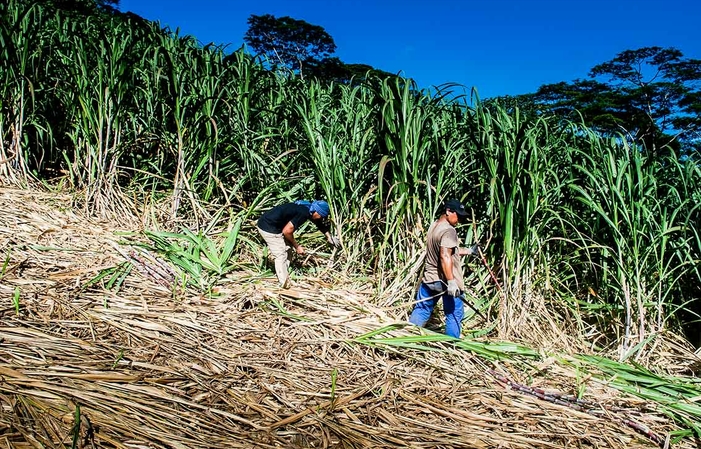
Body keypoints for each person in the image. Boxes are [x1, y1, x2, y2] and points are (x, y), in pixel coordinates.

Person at [409, 199, 480, 338]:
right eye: (457, 215)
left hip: (429, 279)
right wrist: (451, 282)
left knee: (422, 309)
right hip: (446, 282)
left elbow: (447, 249)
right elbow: (445, 255)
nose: (459, 219)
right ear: (448, 211)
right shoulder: (449, 231)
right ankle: (450, 348)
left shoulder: (434, 226)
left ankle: (407, 338)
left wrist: (470, 251)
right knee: (454, 314)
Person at [257, 200, 340, 288]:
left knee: (288, 250)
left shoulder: (308, 208)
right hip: (267, 227)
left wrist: (328, 237)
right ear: (316, 211)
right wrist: (297, 246)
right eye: (321, 216)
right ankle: (284, 284)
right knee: (281, 254)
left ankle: (284, 273)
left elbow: (318, 223)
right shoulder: (303, 213)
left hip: (273, 224)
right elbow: (287, 231)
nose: (321, 218)